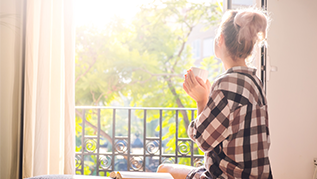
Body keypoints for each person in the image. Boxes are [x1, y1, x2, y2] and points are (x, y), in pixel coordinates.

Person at [157, 8, 272, 179]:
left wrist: (202, 99)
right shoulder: (255, 81)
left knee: (163, 170)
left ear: (221, 39)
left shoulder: (225, 84)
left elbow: (203, 141)